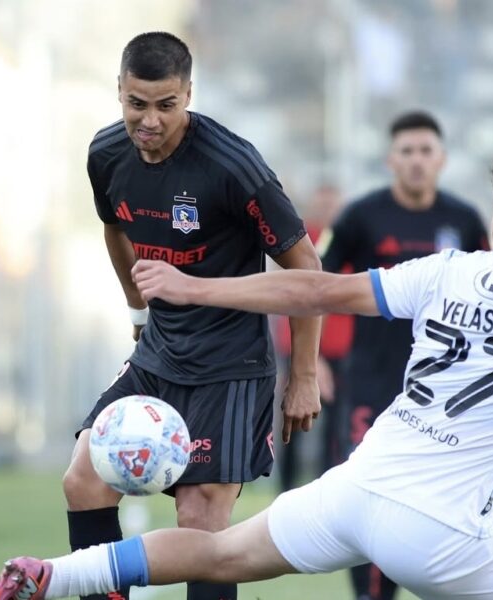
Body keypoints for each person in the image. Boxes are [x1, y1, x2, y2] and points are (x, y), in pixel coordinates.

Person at [0, 148, 493, 600]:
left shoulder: (448, 274)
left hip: (358, 488)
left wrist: (197, 288)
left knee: (223, 553)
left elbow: (316, 289)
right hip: (439, 529)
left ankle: (50, 575)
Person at [55, 32, 321, 600]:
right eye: (136, 103)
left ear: (189, 95)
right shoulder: (106, 154)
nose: (149, 120)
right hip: (159, 354)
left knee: (201, 523)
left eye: (166, 105)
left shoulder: (233, 167)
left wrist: (302, 375)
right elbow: (114, 224)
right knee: (82, 481)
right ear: (120, 92)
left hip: (231, 367)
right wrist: (136, 307)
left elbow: (306, 266)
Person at [321, 110, 489, 599]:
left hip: (440, 391)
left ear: (442, 159)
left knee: (427, 501)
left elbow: (490, 294)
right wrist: (309, 366)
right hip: (370, 382)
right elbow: (318, 284)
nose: (416, 161)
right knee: (368, 496)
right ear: (390, 159)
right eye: (407, 151)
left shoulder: (463, 220)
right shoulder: (359, 217)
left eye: (426, 151)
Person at [272, 183, 353, 490]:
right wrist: (309, 356)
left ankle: (325, 490)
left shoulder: (349, 237)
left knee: (336, 427)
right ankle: (286, 492)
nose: (329, 210)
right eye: (323, 203)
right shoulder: (302, 238)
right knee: (293, 420)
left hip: (343, 350)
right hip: (299, 345)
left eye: (334, 204)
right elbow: (299, 293)